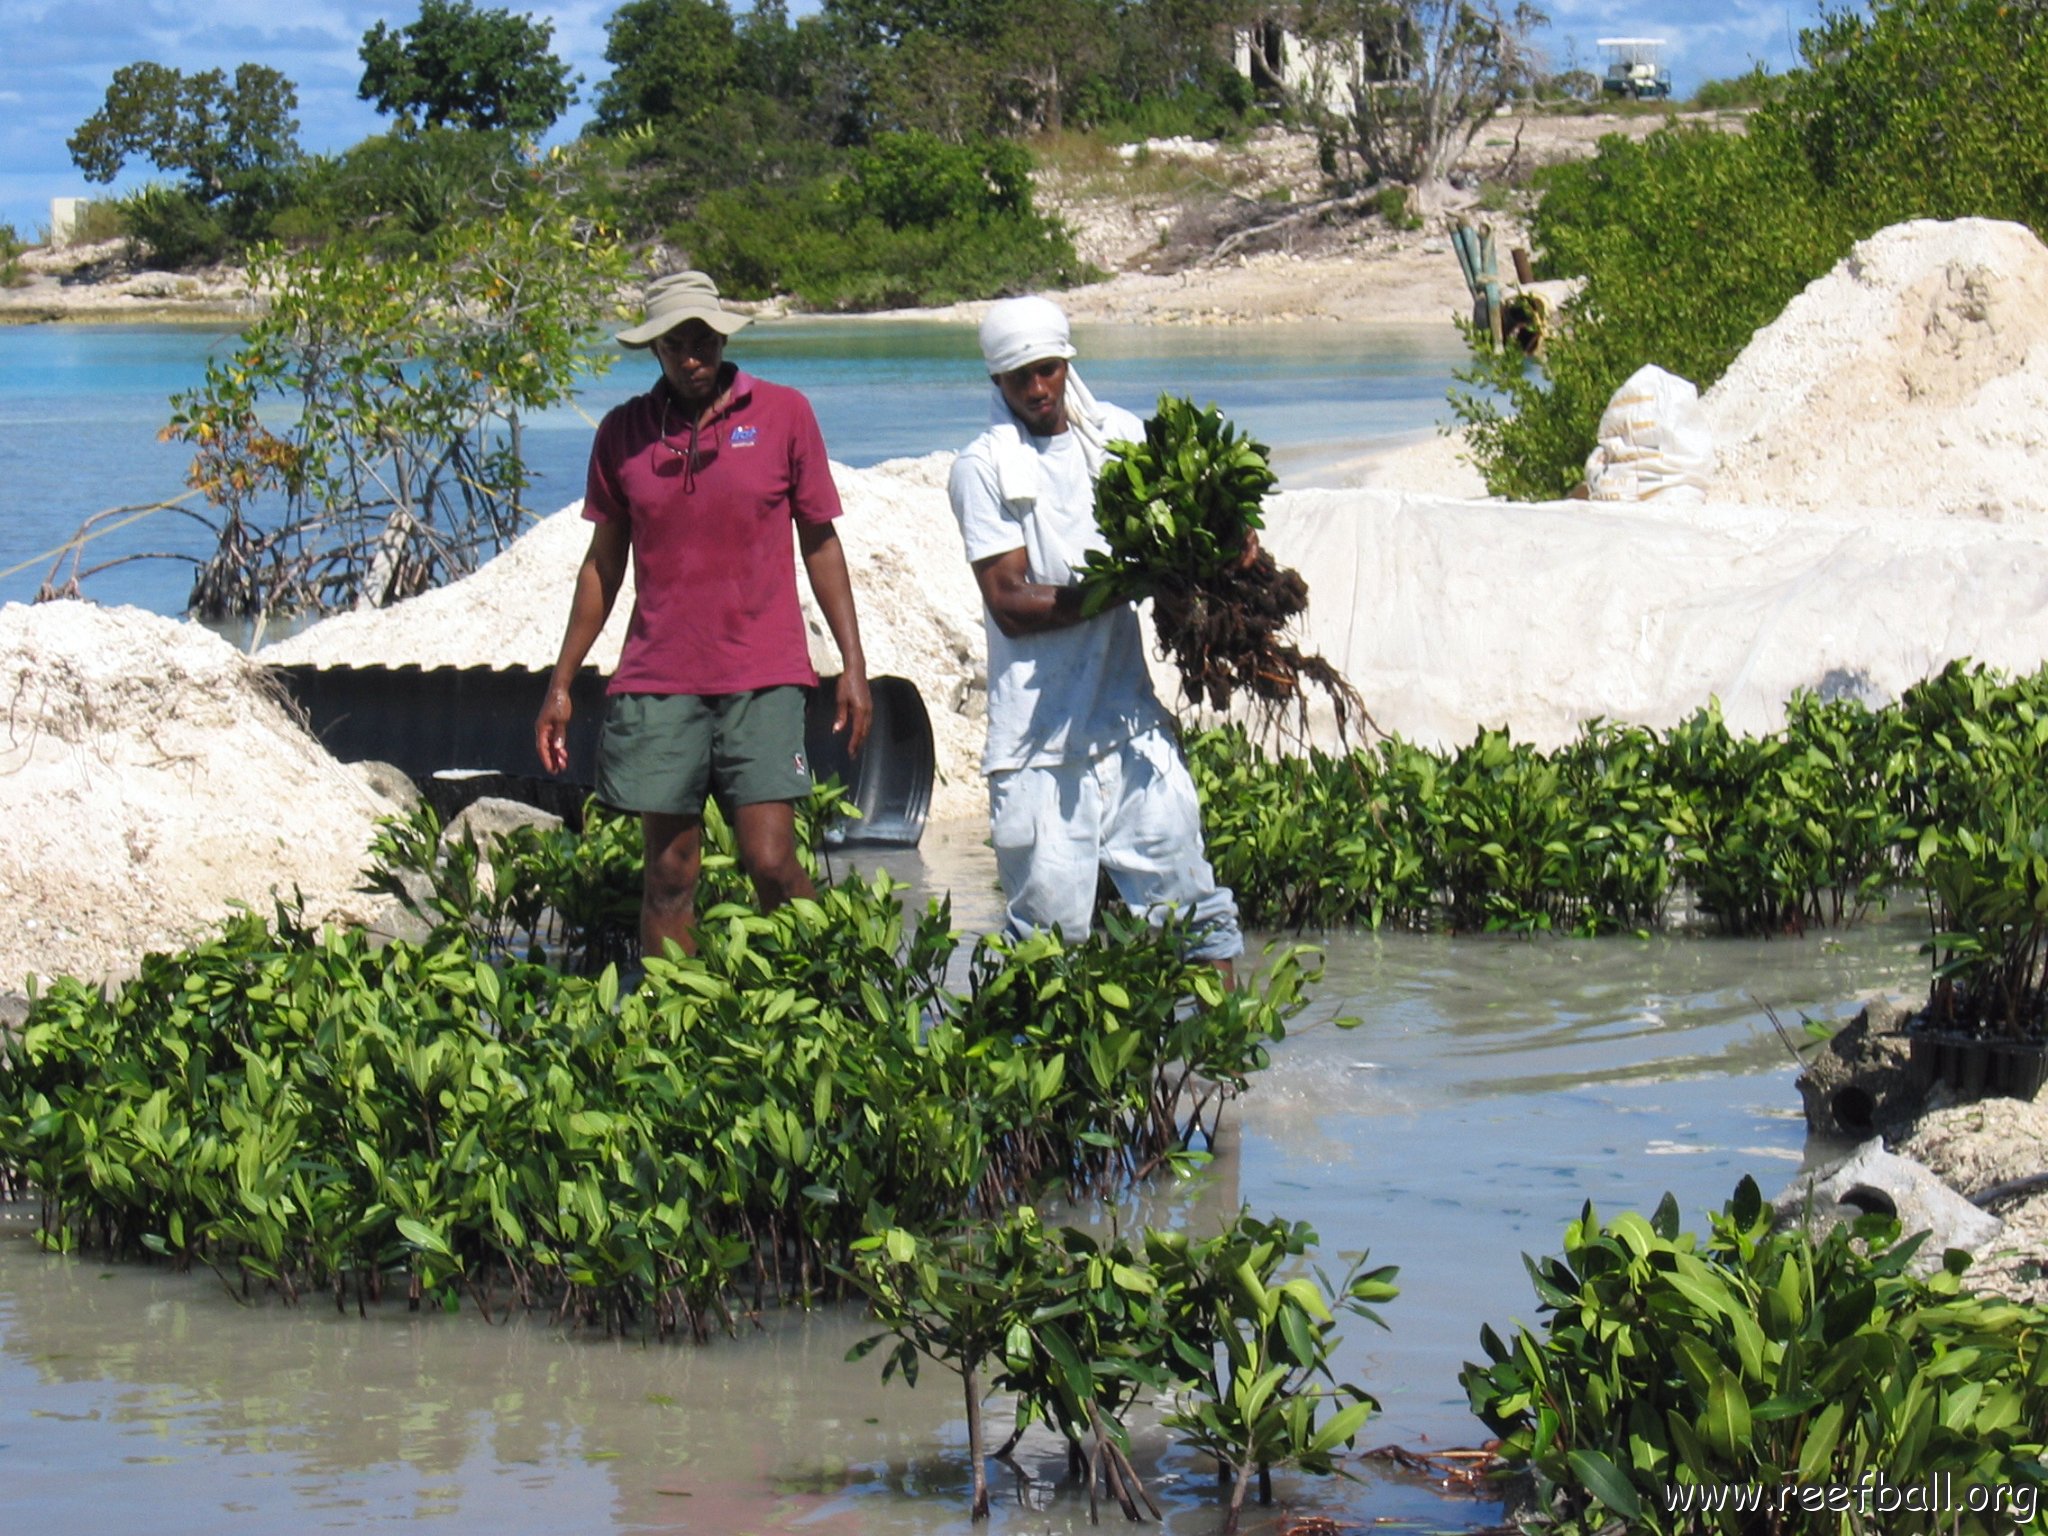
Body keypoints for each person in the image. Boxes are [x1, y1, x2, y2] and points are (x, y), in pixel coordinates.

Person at [535, 270, 871, 960]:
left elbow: (821, 542)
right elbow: (603, 564)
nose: (695, 357)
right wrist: (561, 683)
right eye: (678, 344)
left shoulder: (784, 415)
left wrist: (853, 666)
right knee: (668, 874)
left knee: (770, 859)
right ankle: (673, 1034)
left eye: (706, 341)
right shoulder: (623, 434)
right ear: (654, 350)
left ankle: (833, 995)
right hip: (661, 679)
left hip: (765, 672)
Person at [947, 295, 1242, 977]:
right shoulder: (983, 468)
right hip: (1036, 743)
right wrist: (1124, 585)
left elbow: (1188, 524)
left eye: (1047, 370)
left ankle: (1231, 1079)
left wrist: (1231, 545)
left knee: (1193, 912)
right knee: (1047, 941)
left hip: (1131, 724)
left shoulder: (1118, 439)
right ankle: (1060, 1080)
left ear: (1065, 363)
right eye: (1020, 377)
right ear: (998, 382)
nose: (1037, 388)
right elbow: (1011, 603)